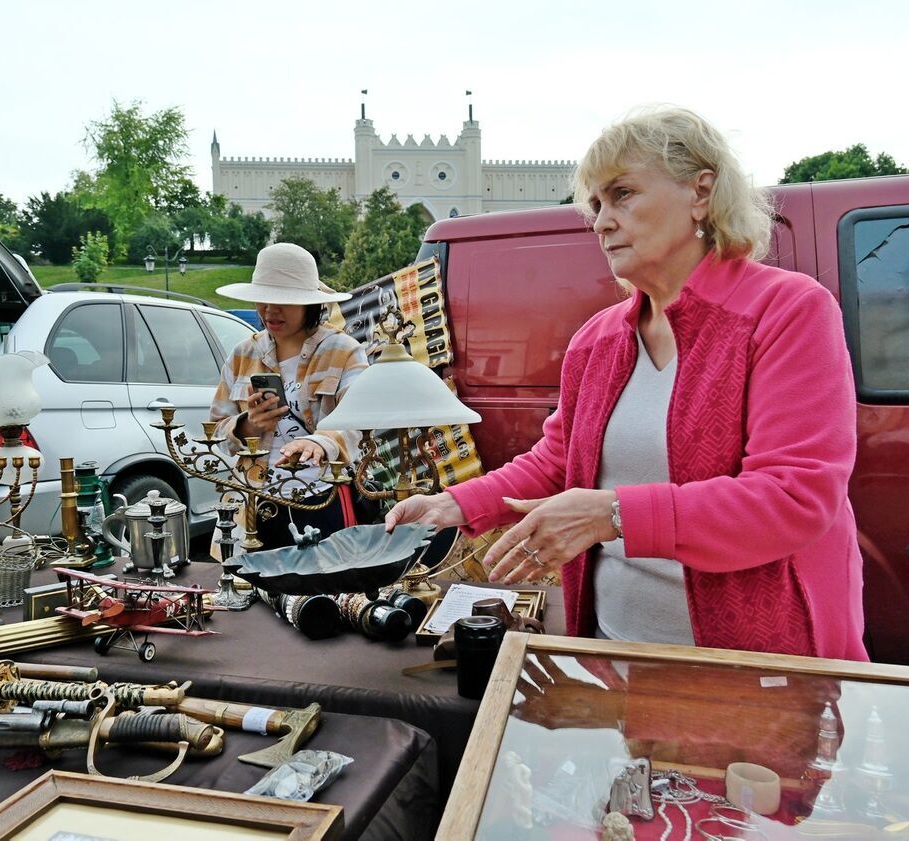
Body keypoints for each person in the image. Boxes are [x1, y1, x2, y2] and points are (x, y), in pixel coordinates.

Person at [386, 107, 867, 660]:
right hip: (614, 657)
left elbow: (792, 498)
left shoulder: (787, 311)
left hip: (755, 666)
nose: (600, 222)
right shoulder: (597, 338)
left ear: (701, 193)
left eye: (622, 195)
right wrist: (454, 505)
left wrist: (610, 515)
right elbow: (559, 460)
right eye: (594, 205)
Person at [210, 243, 372, 550]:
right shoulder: (243, 354)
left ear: (309, 304)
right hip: (253, 500)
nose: (270, 311)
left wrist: (319, 442)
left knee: (326, 590)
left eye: (283, 301)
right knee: (253, 591)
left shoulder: (344, 351)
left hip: (323, 496)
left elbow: (360, 422)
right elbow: (215, 429)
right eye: (264, 300)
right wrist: (248, 425)